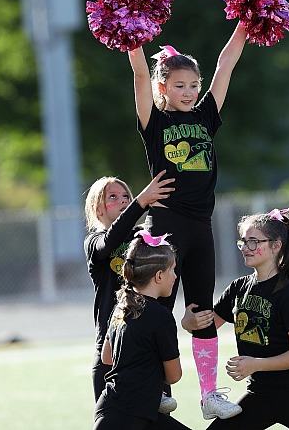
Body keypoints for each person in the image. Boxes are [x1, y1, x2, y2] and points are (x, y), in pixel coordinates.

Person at [128, 22, 246, 420]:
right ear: (164, 88)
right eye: (180, 85)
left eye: (194, 85)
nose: (190, 92)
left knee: (201, 310)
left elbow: (225, 65)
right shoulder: (155, 123)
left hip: (201, 225)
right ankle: (156, 387)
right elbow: (140, 73)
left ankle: (210, 395)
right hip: (165, 222)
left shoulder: (206, 115)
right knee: (153, 305)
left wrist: (246, 22)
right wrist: (132, 32)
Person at [182, 208, 289, 429]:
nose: (246, 248)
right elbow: (207, 326)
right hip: (259, 393)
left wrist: (255, 364)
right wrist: (188, 323)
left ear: (276, 245)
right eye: (243, 242)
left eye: (254, 242)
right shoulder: (238, 288)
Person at [84, 169, 177, 414]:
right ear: (98, 209)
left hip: (146, 350)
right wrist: (141, 202)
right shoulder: (94, 242)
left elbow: (167, 274)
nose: (123, 200)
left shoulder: (143, 239)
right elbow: (108, 243)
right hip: (110, 349)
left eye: (126, 196)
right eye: (112, 197)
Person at [93, 231, 191, 430]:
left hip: (121, 409)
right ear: (158, 276)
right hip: (127, 416)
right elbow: (173, 376)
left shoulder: (121, 306)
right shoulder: (160, 316)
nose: (175, 276)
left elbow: (107, 357)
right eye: (172, 270)